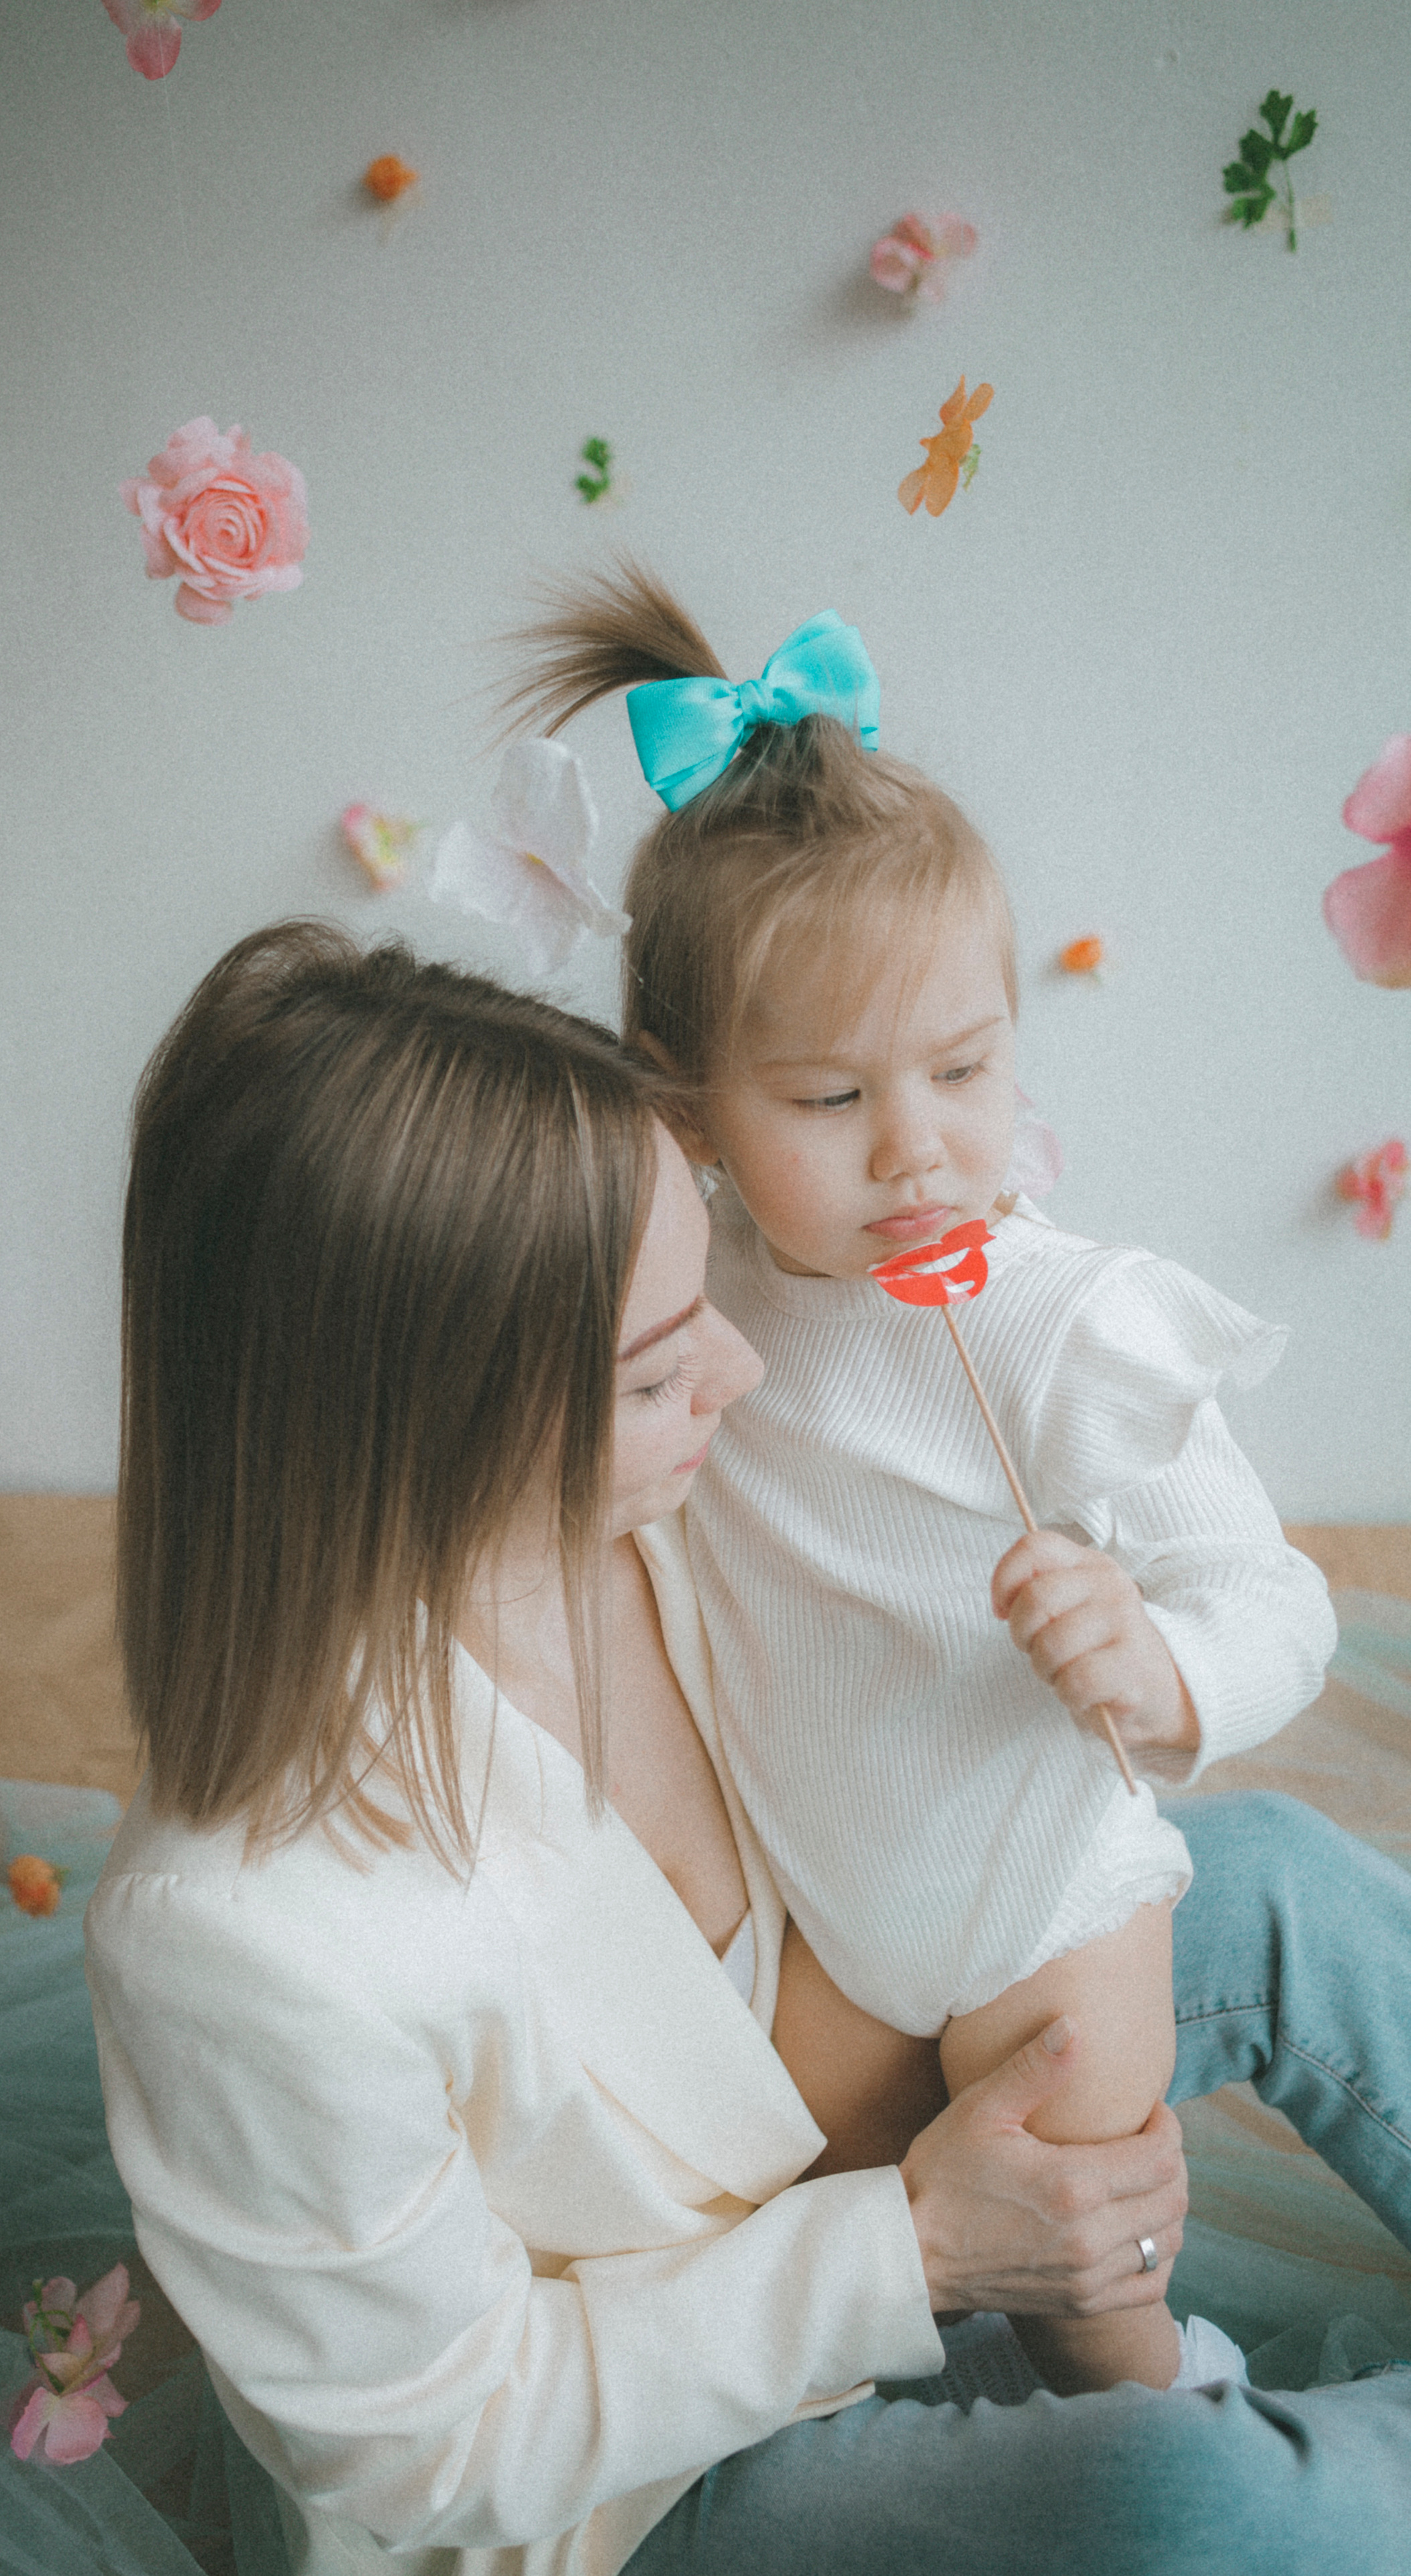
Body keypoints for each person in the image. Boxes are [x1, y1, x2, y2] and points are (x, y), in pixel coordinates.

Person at [86, 919, 1411, 2576]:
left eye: (702, 1285)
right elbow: (440, 2450)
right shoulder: (240, 1929)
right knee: (1181, 2501)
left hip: (831, 2113)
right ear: (426, 1423)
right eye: (655, 1369)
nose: (743, 1362)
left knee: (1269, 1877)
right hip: (641, 2484)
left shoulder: (668, 1507)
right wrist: (920, 2248)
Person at [499, 565, 1337, 2396]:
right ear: (687, 1100)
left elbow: (1282, 1599)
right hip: (837, 1928)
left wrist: (1162, 1666)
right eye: (828, 1101)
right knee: (769, 2237)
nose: (919, 1153)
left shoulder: (1059, 1324)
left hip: (1047, 1906)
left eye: (965, 1068)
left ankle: (1162, 2421)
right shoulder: (688, 1299)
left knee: (1085, 2289)